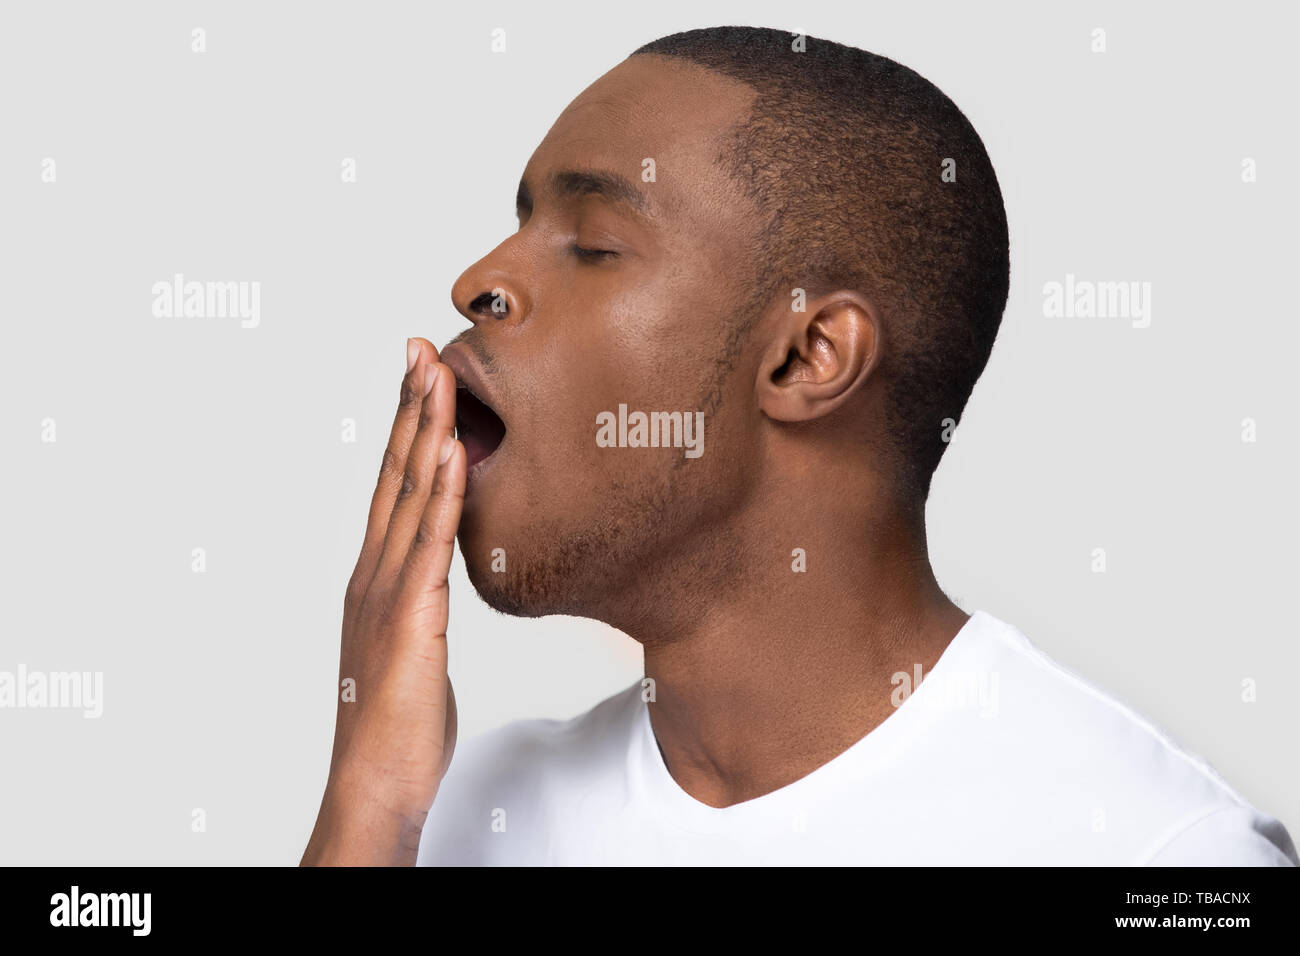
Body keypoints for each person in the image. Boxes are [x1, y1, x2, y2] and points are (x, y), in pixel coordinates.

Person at [301, 26, 1297, 866]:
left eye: (594, 242)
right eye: (518, 223)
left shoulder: (1163, 855)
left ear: (806, 357)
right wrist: (365, 808)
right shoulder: (454, 813)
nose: (478, 280)